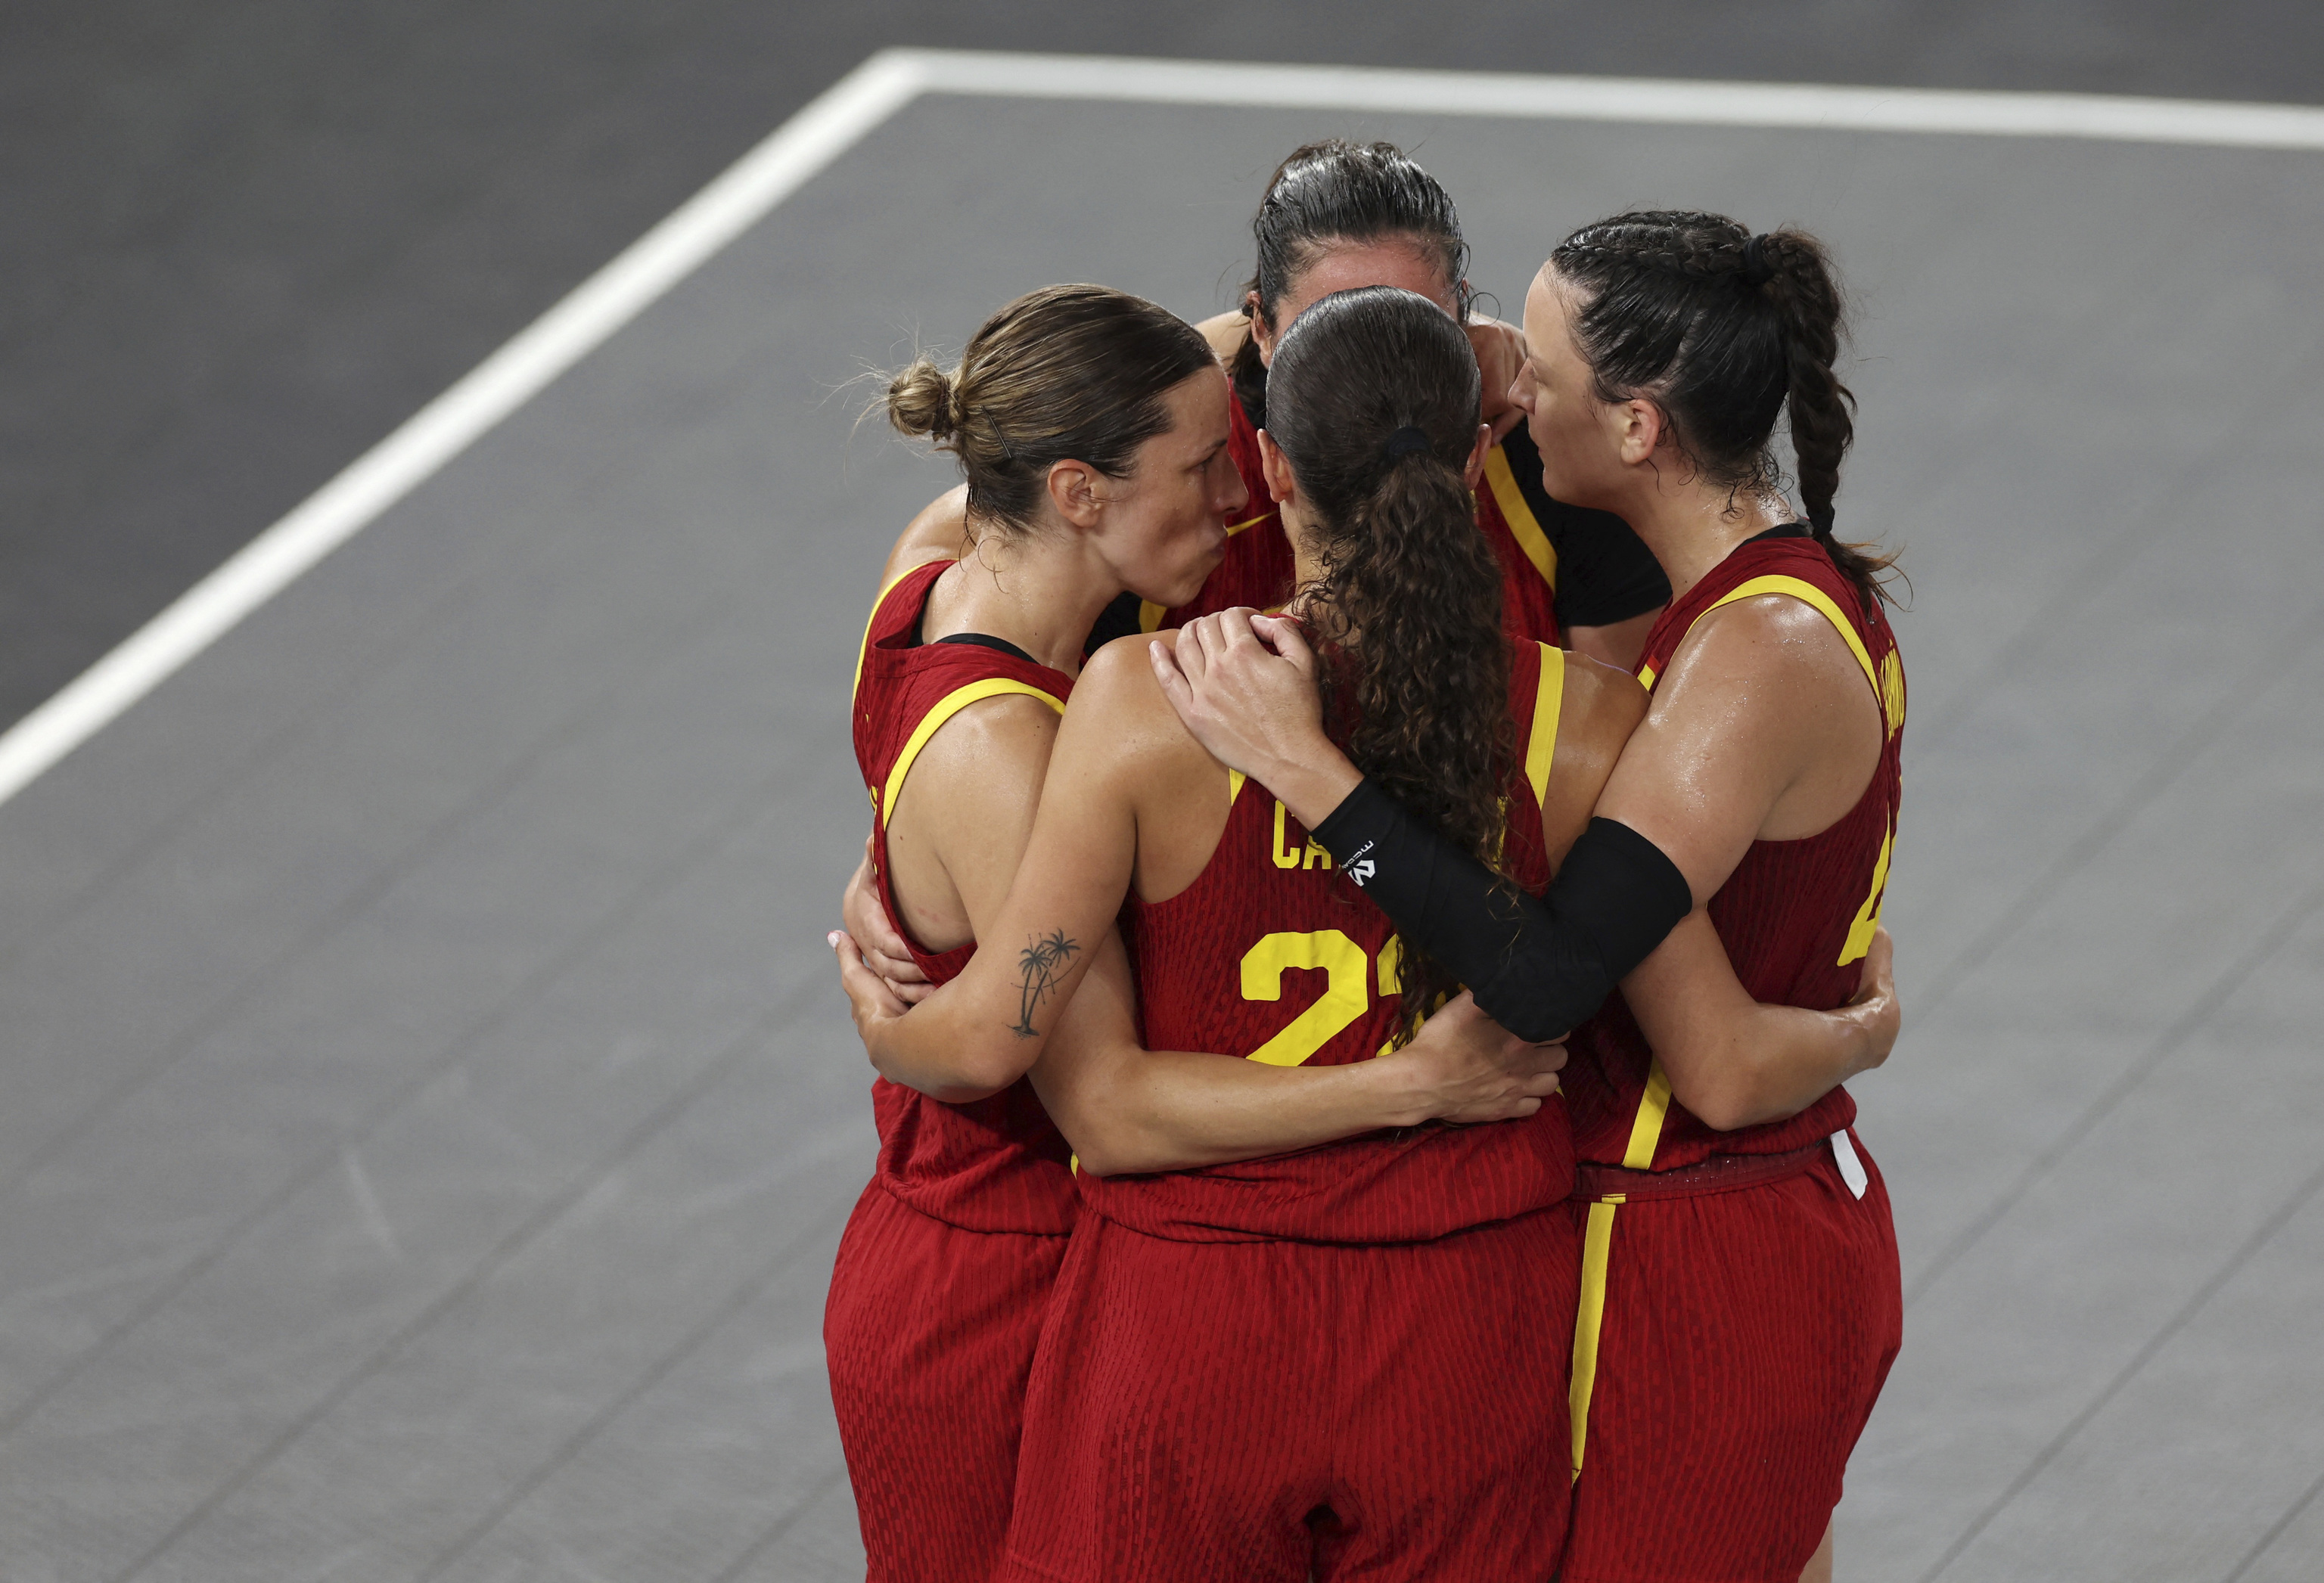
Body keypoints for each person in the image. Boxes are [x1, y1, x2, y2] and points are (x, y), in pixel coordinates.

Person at [838, 285, 1896, 1581]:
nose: (1227, 491)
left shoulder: (1127, 706)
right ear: (1472, 464)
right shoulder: (1589, 723)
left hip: (1191, 1308)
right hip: (1465, 1320)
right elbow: (1686, 1033)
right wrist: (1859, 1022)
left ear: (1274, 463)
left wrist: (882, 1001)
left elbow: (1042, 1050)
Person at [1151, 213, 1906, 1583]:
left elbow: (1584, 996)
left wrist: (1308, 774)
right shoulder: (1752, 608)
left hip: (1694, 1254)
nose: (1503, 394)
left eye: (1534, 375)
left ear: (1633, 427)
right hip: (1722, 1227)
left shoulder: (1753, 655)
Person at [828, 282, 1577, 1583]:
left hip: (1002, 1250)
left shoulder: (930, 585)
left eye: (1245, 459)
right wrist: (1416, 1082)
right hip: (996, 1283)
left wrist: (1331, 329)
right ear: (1075, 489)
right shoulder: (1024, 747)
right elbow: (1040, 1074)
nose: (1235, 497)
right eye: (1198, 468)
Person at [873, 141, 1669, 666]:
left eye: (1416, 326)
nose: (1374, 370)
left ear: (1463, 311)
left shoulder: (1544, 455)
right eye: (1327, 330)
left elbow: (1606, 777)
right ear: (1259, 327)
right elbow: (975, 532)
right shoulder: (1173, 481)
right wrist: (928, 811)